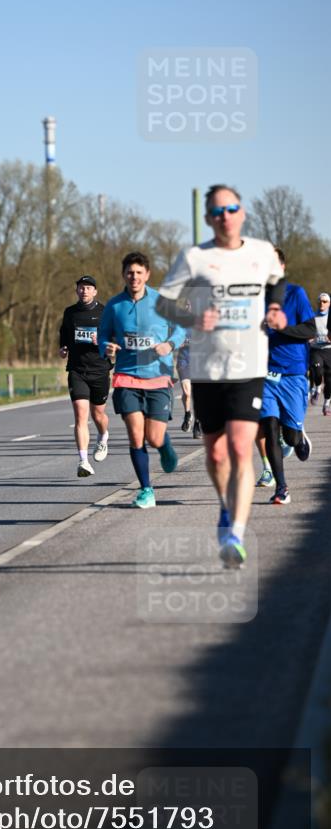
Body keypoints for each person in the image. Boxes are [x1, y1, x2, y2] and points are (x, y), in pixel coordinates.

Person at [156, 184, 286, 568]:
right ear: (209, 218)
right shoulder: (195, 258)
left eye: (231, 208)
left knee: (242, 448)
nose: (225, 216)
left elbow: (276, 280)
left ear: (241, 212)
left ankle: (236, 534)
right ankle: (225, 509)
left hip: (249, 367)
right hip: (208, 370)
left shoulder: (261, 253)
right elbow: (165, 302)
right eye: (217, 211)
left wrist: (275, 308)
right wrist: (193, 318)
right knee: (215, 451)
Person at [98, 252, 186, 508]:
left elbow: (182, 329)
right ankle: (146, 489)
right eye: (129, 272)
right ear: (123, 274)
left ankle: (165, 446)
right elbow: (103, 335)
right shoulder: (114, 306)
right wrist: (108, 347)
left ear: (147, 275)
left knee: (154, 438)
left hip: (158, 377)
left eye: (138, 272)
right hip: (127, 378)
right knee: (136, 437)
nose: (134, 277)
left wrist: (170, 344)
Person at [256, 249, 314, 505]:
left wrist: (283, 328)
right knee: (269, 426)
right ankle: (281, 488)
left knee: (289, 437)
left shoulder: (296, 293)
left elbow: (310, 329)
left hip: (293, 374)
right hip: (265, 373)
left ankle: (298, 435)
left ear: (282, 266)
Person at [58, 274, 111, 477]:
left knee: (98, 415)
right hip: (77, 370)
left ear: (95, 291)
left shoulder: (105, 312)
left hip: (99, 369)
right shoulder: (70, 313)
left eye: (88, 288)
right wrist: (62, 349)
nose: (84, 291)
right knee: (81, 415)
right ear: (76, 290)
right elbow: (64, 335)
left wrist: (102, 341)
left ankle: (103, 435)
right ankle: (83, 461)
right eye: (81, 287)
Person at [309, 291, 331, 414]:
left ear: (329, 304)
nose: (322, 304)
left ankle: (326, 403)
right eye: (320, 301)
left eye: (325, 301)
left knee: (329, 380)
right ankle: (317, 387)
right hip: (316, 349)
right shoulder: (313, 317)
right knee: (317, 368)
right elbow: (307, 331)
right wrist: (309, 337)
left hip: (329, 350)